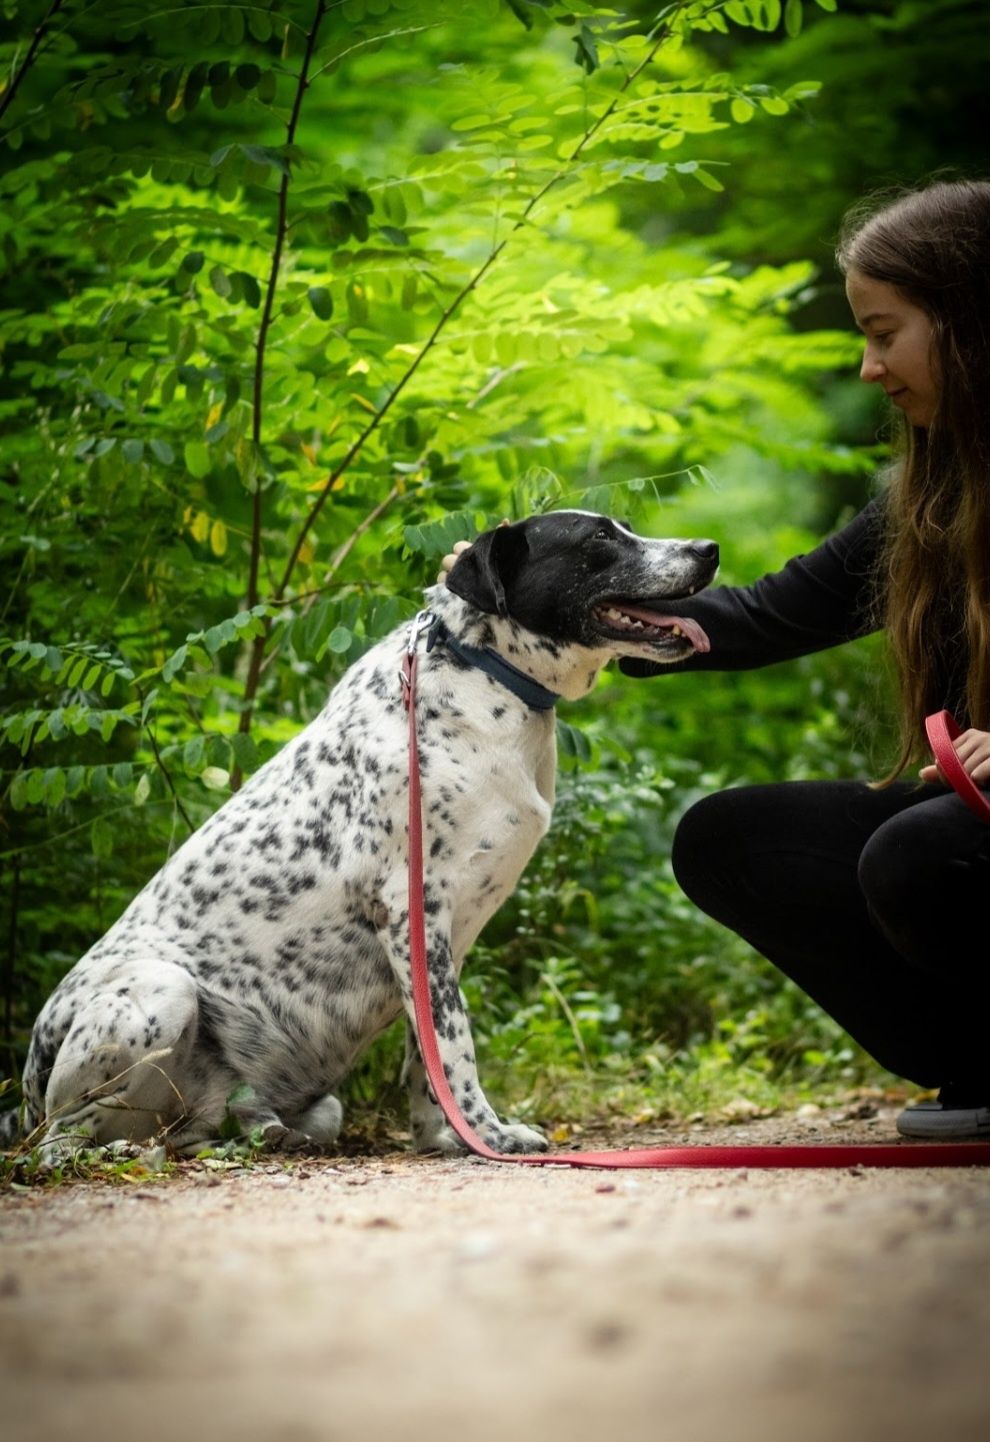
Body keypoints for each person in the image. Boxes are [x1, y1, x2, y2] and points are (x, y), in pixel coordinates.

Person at [442, 179, 990, 1142]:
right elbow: (775, 613)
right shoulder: (927, 495)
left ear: (970, 320)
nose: (869, 367)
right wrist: (591, 609)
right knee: (730, 841)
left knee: (921, 851)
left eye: (884, 331)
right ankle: (979, 1065)